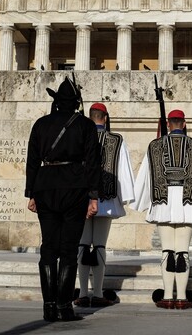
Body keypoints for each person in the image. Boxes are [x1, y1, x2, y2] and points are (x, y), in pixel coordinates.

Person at [25, 77, 102, 322]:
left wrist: (31, 194)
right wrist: (94, 196)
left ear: (57, 102)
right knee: (69, 249)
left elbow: (32, 160)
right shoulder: (86, 126)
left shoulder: (40, 124)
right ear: (76, 103)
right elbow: (93, 163)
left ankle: (48, 306)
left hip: (45, 187)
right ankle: (64, 307)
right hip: (75, 187)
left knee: (49, 247)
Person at [132, 109, 192, 310]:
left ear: (168, 124)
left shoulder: (155, 145)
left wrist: (143, 202)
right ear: (184, 123)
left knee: (167, 250)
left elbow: (146, 175)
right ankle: (181, 297)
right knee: (183, 251)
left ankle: (167, 295)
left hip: (163, 201)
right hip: (188, 202)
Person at [74, 102, 135, 308]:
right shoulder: (116, 140)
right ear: (105, 118)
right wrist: (125, 196)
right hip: (106, 200)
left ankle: (83, 293)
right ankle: (98, 293)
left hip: (82, 200)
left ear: (89, 117)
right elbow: (123, 170)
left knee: (82, 245)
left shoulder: (79, 136)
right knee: (99, 245)